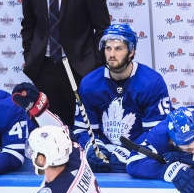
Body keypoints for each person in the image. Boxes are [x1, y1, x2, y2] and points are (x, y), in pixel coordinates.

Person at [21, 0, 110, 128]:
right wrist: (29, 56)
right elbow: (28, 24)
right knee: (50, 129)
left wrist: (94, 64)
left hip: (80, 69)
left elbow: (103, 28)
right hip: (43, 67)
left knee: (82, 127)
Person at [73, 24, 171, 173]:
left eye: (118, 48)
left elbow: (157, 132)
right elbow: (83, 129)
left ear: (131, 51)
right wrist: (93, 148)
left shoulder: (151, 82)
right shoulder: (89, 83)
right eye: (108, 48)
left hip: (139, 156)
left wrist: (128, 153)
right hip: (105, 154)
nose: (111, 54)